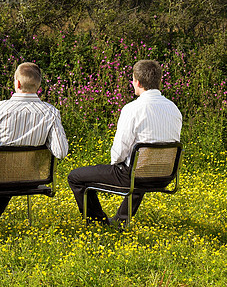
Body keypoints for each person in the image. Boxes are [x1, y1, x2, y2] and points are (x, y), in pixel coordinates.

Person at [67, 59, 182, 227]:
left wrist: (115, 164)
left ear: (138, 81)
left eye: (133, 79)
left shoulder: (132, 109)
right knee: (139, 167)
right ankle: (121, 219)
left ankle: (98, 223)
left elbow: (119, 152)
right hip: (165, 175)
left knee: (75, 177)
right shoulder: (174, 109)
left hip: (137, 175)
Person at [0, 62, 69, 226]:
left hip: (0, 177)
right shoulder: (51, 112)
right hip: (33, 177)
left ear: (17, 83)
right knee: (5, 176)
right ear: (38, 85)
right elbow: (61, 151)